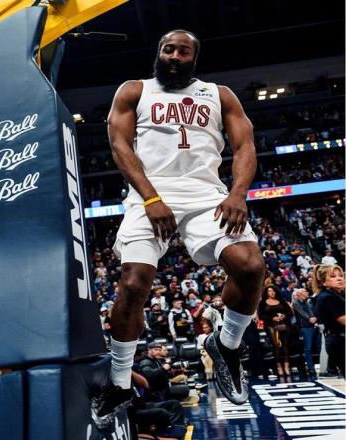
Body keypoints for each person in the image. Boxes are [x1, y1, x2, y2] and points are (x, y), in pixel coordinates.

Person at [96, 28, 265, 421]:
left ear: (193, 57)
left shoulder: (219, 94)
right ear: (159, 52)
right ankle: (119, 383)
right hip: (149, 192)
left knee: (250, 265)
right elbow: (119, 145)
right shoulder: (135, 90)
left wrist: (238, 194)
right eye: (168, 49)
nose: (174, 55)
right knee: (133, 283)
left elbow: (245, 146)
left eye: (183, 51)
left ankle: (226, 344)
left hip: (207, 195)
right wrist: (151, 198)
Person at [313, 265, 345, 377]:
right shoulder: (327, 297)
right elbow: (343, 320)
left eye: (341, 275)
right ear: (323, 282)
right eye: (333, 276)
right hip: (339, 340)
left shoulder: (338, 295)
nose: (339, 278)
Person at [258, 285, 293, 376]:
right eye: (269, 291)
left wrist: (284, 316)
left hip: (284, 324)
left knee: (285, 345)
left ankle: (286, 366)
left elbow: (290, 312)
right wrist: (272, 318)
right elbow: (261, 315)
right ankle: (279, 366)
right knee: (276, 346)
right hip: (270, 326)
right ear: (266, 293)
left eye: (273, 291)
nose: (272, 292)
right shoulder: (262, 303)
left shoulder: (282, 300)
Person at [292, 288, 320, 375]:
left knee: (319, 346)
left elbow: (311, 312)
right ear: (300, 294)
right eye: (305, 291)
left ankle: (324, 367)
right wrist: (310, 319)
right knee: (308, 348)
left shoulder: (308, 302)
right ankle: (311, 368)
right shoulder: (296, 303)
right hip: (305, 327)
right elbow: (302, 313)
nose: (307, 292)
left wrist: (314, 319)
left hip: (313, 326)